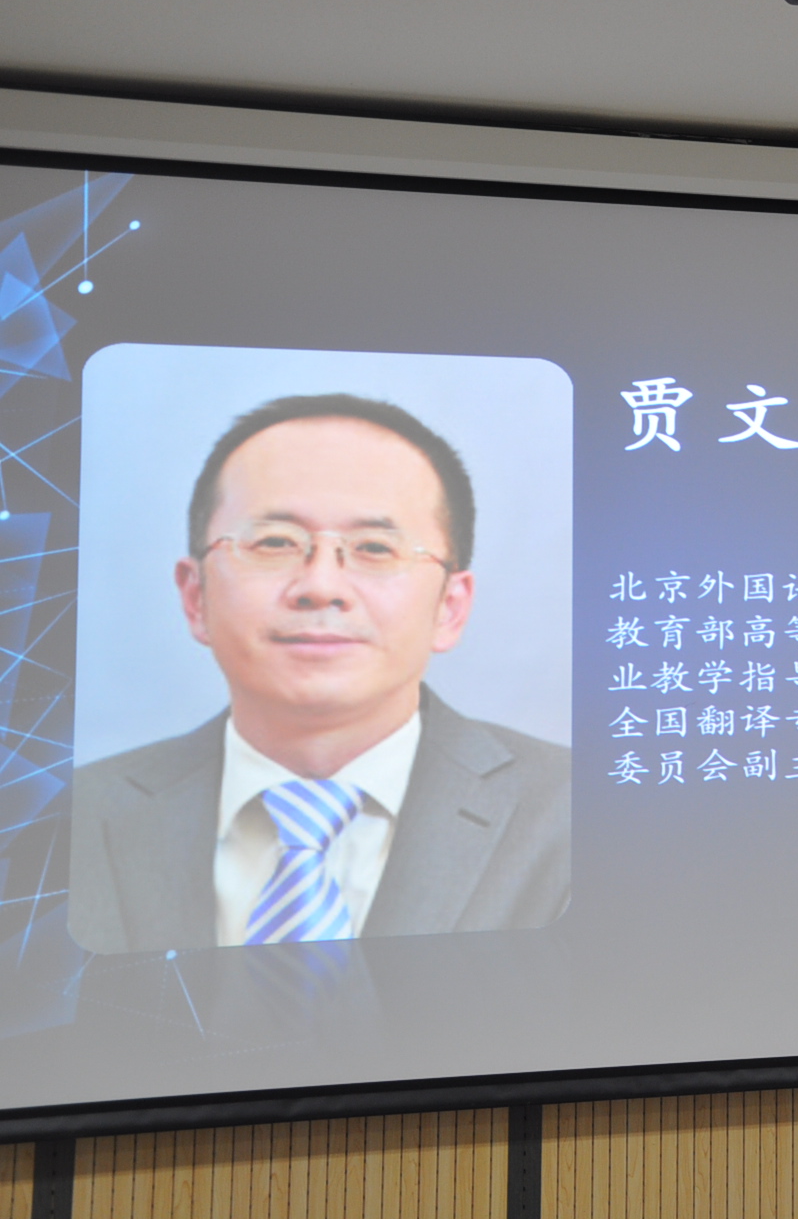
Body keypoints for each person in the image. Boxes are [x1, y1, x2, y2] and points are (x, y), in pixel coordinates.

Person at [70, 394, 569, 954]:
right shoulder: (57, 820)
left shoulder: (585, 814)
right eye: (275, 543)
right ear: (196, 598)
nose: (321, 587)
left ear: (449, 608)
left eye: (375, 548)